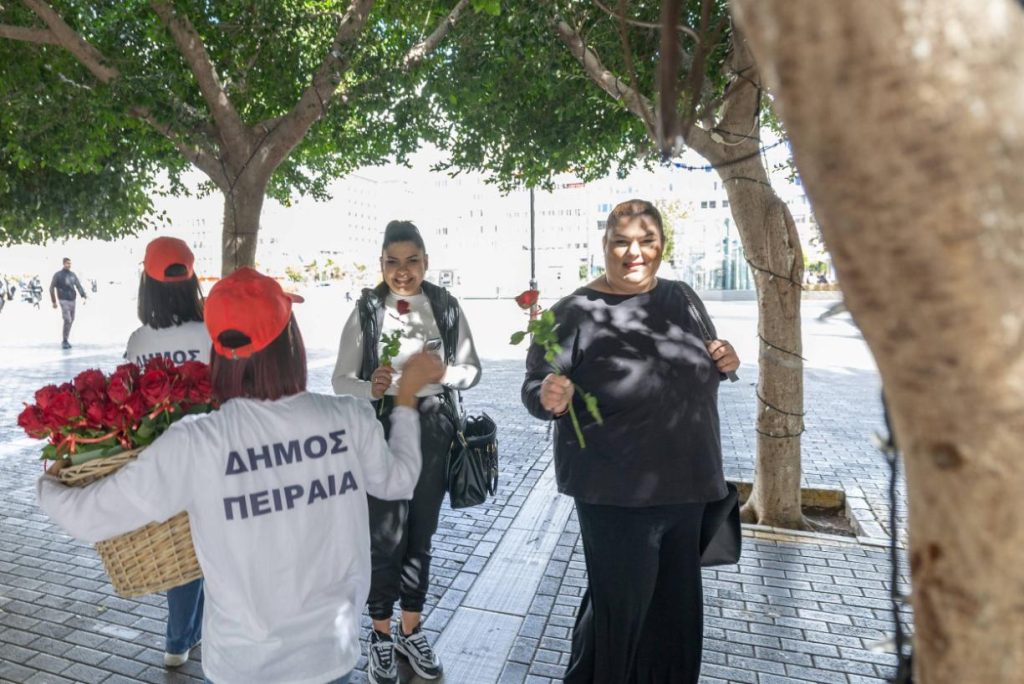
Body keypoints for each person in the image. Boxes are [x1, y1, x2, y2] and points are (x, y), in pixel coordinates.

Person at [37, 267, 444, 684]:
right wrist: (406, 400)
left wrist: (49, 481)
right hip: (328, 656)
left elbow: (87, 517)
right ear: (290, 343)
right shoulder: (347, 418)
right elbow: (399, 481)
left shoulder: (198, 443)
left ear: (217, 352)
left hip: (240, 664)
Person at [521, 199, 740, 684]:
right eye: (621, 242)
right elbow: (535, 386)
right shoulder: (572, 312)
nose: (634, 253)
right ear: (604, 245)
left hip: (688, 487)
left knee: (675, 619)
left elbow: (709, 358)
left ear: (662, 245)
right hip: (615, 492)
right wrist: (548, 395)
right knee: (618, 618)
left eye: (646, 241)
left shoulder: (683, 297)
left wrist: (726, 358)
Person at [332, 220, 481, 684]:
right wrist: (370, 386)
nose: (403, 271)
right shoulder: (366, 311)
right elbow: (340, 380)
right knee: (384, 536)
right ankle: (379, 634)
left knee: (420, 532)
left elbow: (472, 370)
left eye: (412, 260)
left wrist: (440, 375)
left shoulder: (445, 306)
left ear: (426, 262)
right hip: (380, 425)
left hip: (432, 424)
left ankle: (410, 630)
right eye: (392, 262)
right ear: (380, 264)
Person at [124, 236, 209, 668]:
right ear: (191, 280)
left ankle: (178, 640)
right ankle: (210, 633)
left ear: (148, 284)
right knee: (217, 545)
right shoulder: (211, 331)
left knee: (183, 551)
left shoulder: (139, 341)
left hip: (163, 461)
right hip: (214, 454)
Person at [49, 257, 87, 348]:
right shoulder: (58, 275)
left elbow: (78, 285)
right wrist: (54, 301)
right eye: (67, 263)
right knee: (67, 319)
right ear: (64, 264)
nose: (69, 265)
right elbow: (51, 288)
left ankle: (66, 339)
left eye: (70, 263)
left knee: (71, 320)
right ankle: (64, 341)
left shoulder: (72, 275)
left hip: (72, 300)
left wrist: (83, 295)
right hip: (63, 300)